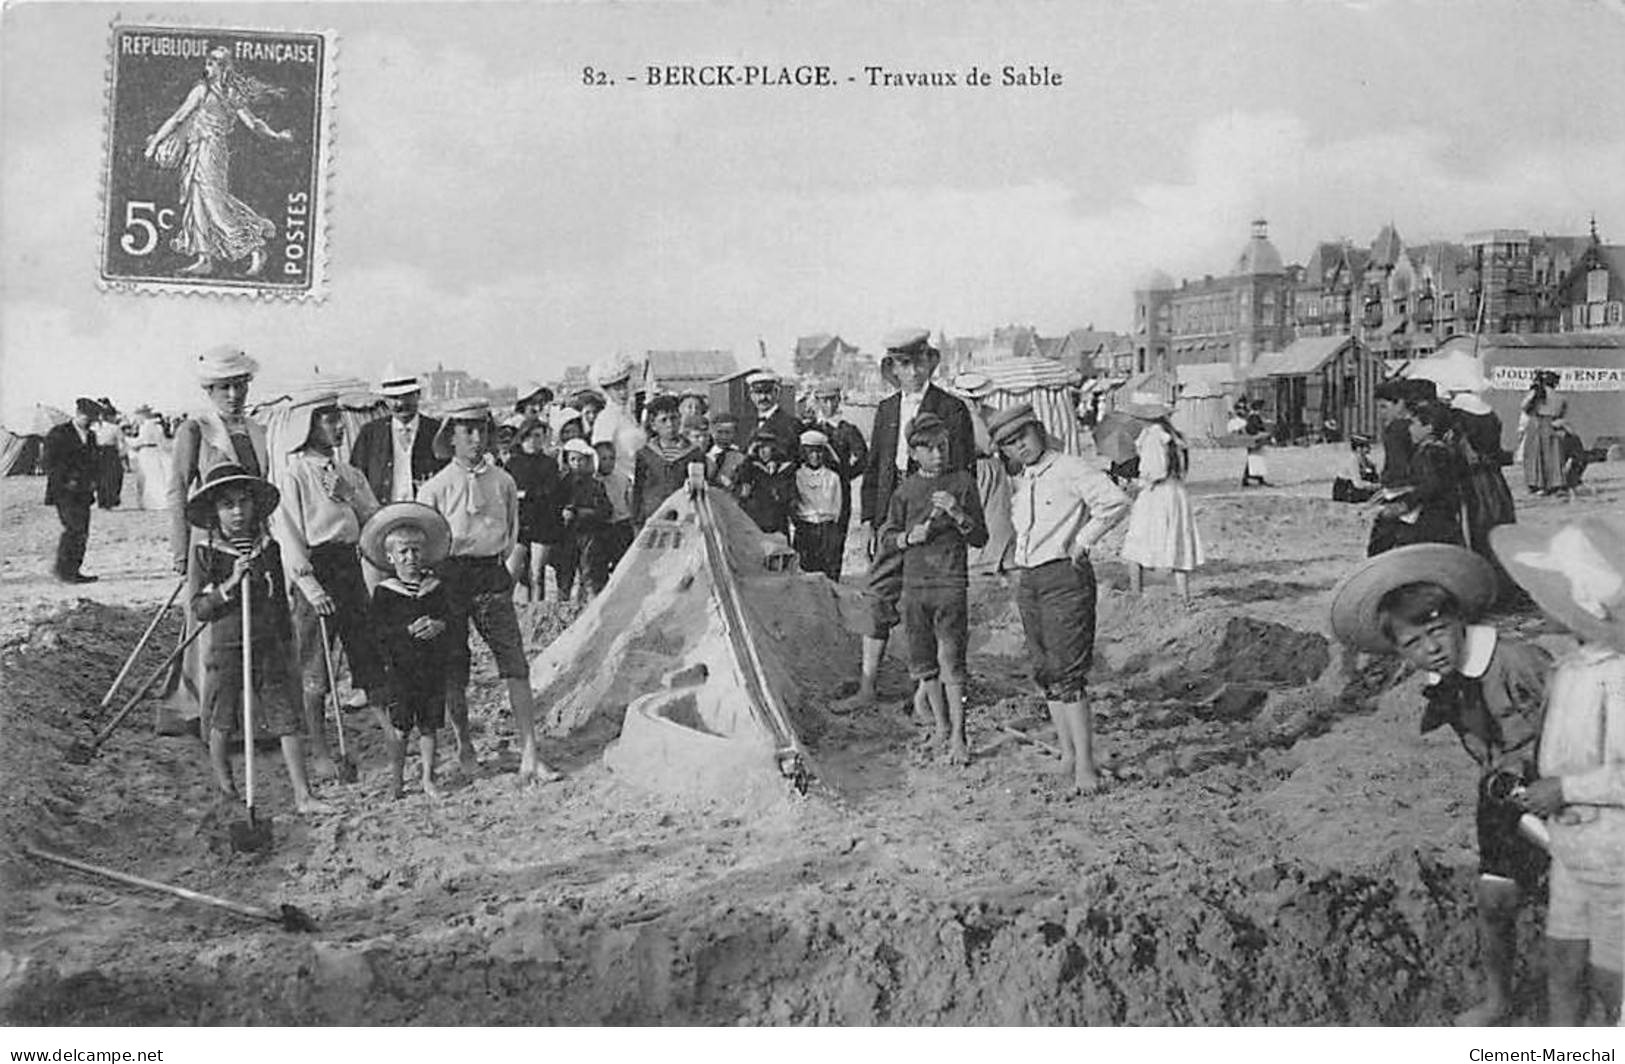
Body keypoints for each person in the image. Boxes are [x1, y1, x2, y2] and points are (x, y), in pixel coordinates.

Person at [1330, 543, 1551, 1026]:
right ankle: (1498, 999)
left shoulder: (1515, 661)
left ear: (1459, 622)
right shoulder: (1443, 682)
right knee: (1494, 902)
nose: (1431, 648)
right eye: (1413, 643)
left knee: (1588, 900)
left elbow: (1572, 720)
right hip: (1501, 797)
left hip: (1558, 791)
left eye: (1437, 631)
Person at [1490, 515, 1625, 1025]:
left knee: (1614, 979)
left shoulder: (1618, 678)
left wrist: (1564, 787)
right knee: (1562, 962)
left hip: (1616, 856)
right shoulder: (1568, 668)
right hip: (1571, 850)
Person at [988, 403, 1130, 794]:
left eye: (1023, 437)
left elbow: (1114, 502)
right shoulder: (1025, 479)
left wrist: (1082, 542)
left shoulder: (1069, 467)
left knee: (1069, 672)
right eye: (1009, 445)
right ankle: (1067, 755)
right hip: (1031, 579)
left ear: (1039, 430)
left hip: (1065, 577)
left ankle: (1086, 766)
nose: (1020, 448)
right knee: (1046, 670)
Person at [416, 399, 559, 785]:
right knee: (454, 668)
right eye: (466, 430)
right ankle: (465, 746)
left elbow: (511, 532)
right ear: (452, 436)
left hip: (491, 575)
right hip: (450, 579)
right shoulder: (435, 488)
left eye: (481, 429)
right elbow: (426, 541)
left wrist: (502, 570)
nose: (476, 438)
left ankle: (531, 753)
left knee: (515, 664)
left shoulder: (504, 481)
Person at [183, 463, 331, 814]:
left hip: (267, 645)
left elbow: (279, 601)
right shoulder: (206, 553)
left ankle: (303, 795)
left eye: (244, 503)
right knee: (222, 716)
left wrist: (286, 640)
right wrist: (230, 585)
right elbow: (199, 607)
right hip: (227, 646)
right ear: (214, 512)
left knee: (285, 717)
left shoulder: (268, 548)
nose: (237, 513)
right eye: (227, 505)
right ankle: (226, 789)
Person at [842, 329, 976, 713]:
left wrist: (943, 518)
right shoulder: (885, 410)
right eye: (903, 363)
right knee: (879, 594)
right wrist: (871, 520)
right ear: (892, 369)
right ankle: (868, 685)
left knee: (929, 598)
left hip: (933, 511)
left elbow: (962, 470)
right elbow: (874, 468)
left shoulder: (951, 409)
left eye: (919, 361)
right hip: (893, 511)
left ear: (930, 363)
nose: (912, 370)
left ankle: (925, 693)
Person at [268, 389, 385, 777]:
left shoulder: (350, 473)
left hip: (349, 569)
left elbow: (375, 520)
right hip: (316, 572)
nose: (338, 426)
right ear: (308, 426)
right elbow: (288, 535)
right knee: (315, 664)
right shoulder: (294, 475)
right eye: (328, 419)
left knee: (366, 650)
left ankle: (390, 733)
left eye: (338, 418)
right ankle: (319, 751)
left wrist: (349, 496)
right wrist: (310, 586)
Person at [880, 413, 987, 763]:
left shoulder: (962, 483)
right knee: (925, 663)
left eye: (942, 446)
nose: (938, 454)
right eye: (928, 448)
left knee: (951, 661)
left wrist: (957, 514)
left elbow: (980, 537)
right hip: (916, 585)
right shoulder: (905, 491)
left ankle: (959, 736)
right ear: (913, 453)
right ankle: (941, 728)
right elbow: (887, 538)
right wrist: (909, 537)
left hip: (951, 583)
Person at [142, 46, 292, 278]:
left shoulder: (229, 94)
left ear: (223, 67)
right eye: (207, 63)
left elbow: (253, 123)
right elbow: (179, 117)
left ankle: (255, 248)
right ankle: (204, 259)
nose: (207, 68)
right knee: (197, 201)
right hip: (196, 149)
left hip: (212, 151)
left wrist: (275, 135)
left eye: (212, 64)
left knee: (214, 203)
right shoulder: (202, 90)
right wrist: (156, 142)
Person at [361, 504, 457, 801]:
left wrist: (438, 625)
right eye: (403, 552)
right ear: (390, 557)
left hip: (431, 667)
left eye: (416, 551)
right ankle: (397, 780)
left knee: (429, 725)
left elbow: (451, 620)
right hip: (401, 670)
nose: (410, 558)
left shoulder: (436, 588)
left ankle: (428, 777)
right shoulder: (385, 593)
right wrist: (405, 631)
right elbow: (377, 632)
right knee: (401, 729)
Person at [1119, 392, 1203, 601]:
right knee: (1175, 538)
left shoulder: (1152, 437)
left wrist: (1137, 484)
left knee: (1137, 540)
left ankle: (1136, 592)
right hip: (1175, 492)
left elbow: (1156, 472)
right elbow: (1178, 469)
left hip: (1157, 495)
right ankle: (1184, 595)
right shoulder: (1172, 436)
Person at [348, 367, 446, 506]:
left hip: (427, 518)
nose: (400, 404)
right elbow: (356, 479)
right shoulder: (370, 433)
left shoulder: (436, 431)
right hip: (383, 519)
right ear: (385, 400)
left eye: (407, 396)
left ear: (418, 395)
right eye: (393, 398)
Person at [1382, 398, 1466, 551]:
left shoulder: (1430, 452)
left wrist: (1406, 504)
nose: (1410, 429)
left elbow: (1431, 484)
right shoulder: (1442, 449)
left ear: (1428, 428)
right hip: (1445, 515)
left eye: (1414, 424)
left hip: (1431, 517)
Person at [805, 381, 870, 580]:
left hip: (838, 494)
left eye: (833, 400)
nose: (829, 405)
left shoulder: (847, 430)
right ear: (816, 401)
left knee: (834, 541)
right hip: (811, 491)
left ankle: (833, 582)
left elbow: (863, 458)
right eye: (824, 400)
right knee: (810, 541)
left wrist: (844, 475)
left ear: (839, 400)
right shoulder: (811, 428)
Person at [1449, 386, 1517, 570]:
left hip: (1472, 476)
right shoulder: (1490, 414)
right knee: (1497, 515)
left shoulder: (1458, 417)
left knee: (1476, 519)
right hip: (1493, 475)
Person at [42, 398, 103, 583]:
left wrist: (94, 481)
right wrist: (67, 481)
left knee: (82, 530)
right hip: (64, 492)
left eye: (92, 417)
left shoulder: (91, 436)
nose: (89, 420)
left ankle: (73, 570)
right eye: (87, 416)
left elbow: (94, 462)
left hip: (84, 492)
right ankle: (65, 571)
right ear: (77, 414)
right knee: (73, 528)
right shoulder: (59, 433)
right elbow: (49, 463)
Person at [504, 418, 563, 603]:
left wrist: (526, 494)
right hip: (519, 523)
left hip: (542, 523)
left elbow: (551, 492)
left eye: (539, 436)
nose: (534, 441)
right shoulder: (513, 463)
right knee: (512, 572)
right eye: (530, 436)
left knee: (537, 574)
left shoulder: (549, 463)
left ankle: (537, 611)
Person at [632, 393, 704, 528]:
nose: (670, 424)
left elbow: (699, 489)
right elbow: (638, 490)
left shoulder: (694, 453)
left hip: (684, 518)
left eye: (674, 418)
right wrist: (637, 520)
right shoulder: (645, 454)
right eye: (663, 420)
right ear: (653, 425)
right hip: (653, 517)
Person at [556, 438, 611, 600]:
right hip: (566, 536)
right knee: (564, 577)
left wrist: (581, 513)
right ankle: (562, 611)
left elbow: (606, 511)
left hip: (589, 535)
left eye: (581, 459)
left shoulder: (595, 485)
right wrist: (562, 513)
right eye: (573, 459)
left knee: (589, 576)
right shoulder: (561, 483)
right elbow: (553, 505)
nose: (577, 463)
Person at [793, 430, 845, 579]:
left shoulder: (832, 477)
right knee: (806, 574)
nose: (815, 456)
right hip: (806, 529)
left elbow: (837, 505)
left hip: (827, 529)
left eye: (819, 452)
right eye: (810, 452)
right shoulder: (797, 476)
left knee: (828, 572)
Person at [1521, 371, 1567, 495]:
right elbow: (1562, 412)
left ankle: (1537, 483)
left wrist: (1533, 392)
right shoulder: (1560, 397)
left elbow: (1524, 407)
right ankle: (1555, 483)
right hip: (1553, 425)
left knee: (1535, 456)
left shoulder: (1536, 395)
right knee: (1553, 455)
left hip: (1537, 424)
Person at [594, 441, 635, 574]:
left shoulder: (622, 478)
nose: (609, 462)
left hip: (620, 527)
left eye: (612, 458)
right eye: (604, 458)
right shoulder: (592, 480)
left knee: (622, 569)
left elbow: (628, 502)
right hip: (600, 528)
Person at [743, 370, 802, 457]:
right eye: (758, 392)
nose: (763, 397)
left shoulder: (792, 424)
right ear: (751, 396)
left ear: (777, 393)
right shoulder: (744, 424)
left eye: (767, 392)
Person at [129, 406, 171, 510]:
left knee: (148, 477)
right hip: (153, 451)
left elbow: (141, 441)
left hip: (147, 451)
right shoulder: (155, 425)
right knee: (154, 476)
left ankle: (153, 502)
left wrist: (128, 441)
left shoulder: (146, 426)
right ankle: (157, 501)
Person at [93, 400, 125, 510]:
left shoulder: (94, 427)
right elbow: (121, 443)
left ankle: (102, 500)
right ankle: (110, 500)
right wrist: (122, 455)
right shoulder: (115, 428)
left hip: (98, 452)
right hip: (110, 452)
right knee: (113, 477)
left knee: (100, 477)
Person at [1332, 434, 1381, 504]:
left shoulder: (1367, 460)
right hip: (1347, 490)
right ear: (1358, 448)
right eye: (1366, 446)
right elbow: (1358, 484)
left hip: (1356, 488)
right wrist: (1374, 486)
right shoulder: (1353, 460)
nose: (1369, 448)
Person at [708, 412, 747, 489]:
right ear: (712, 432)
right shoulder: (705, 454)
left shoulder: (741, 458)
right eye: (719, 432)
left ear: (735, 434)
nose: (724, 437)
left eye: (728, 433)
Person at [1241, 400, 1270, 487]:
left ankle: (1253, 478)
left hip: (1255, 440)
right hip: (1255, 440)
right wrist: (1261, 433)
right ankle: (1253, 479)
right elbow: (1253, 429)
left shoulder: (1252, 416)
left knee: (1255, 460)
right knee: (1255, 459)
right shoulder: (1254, 417)